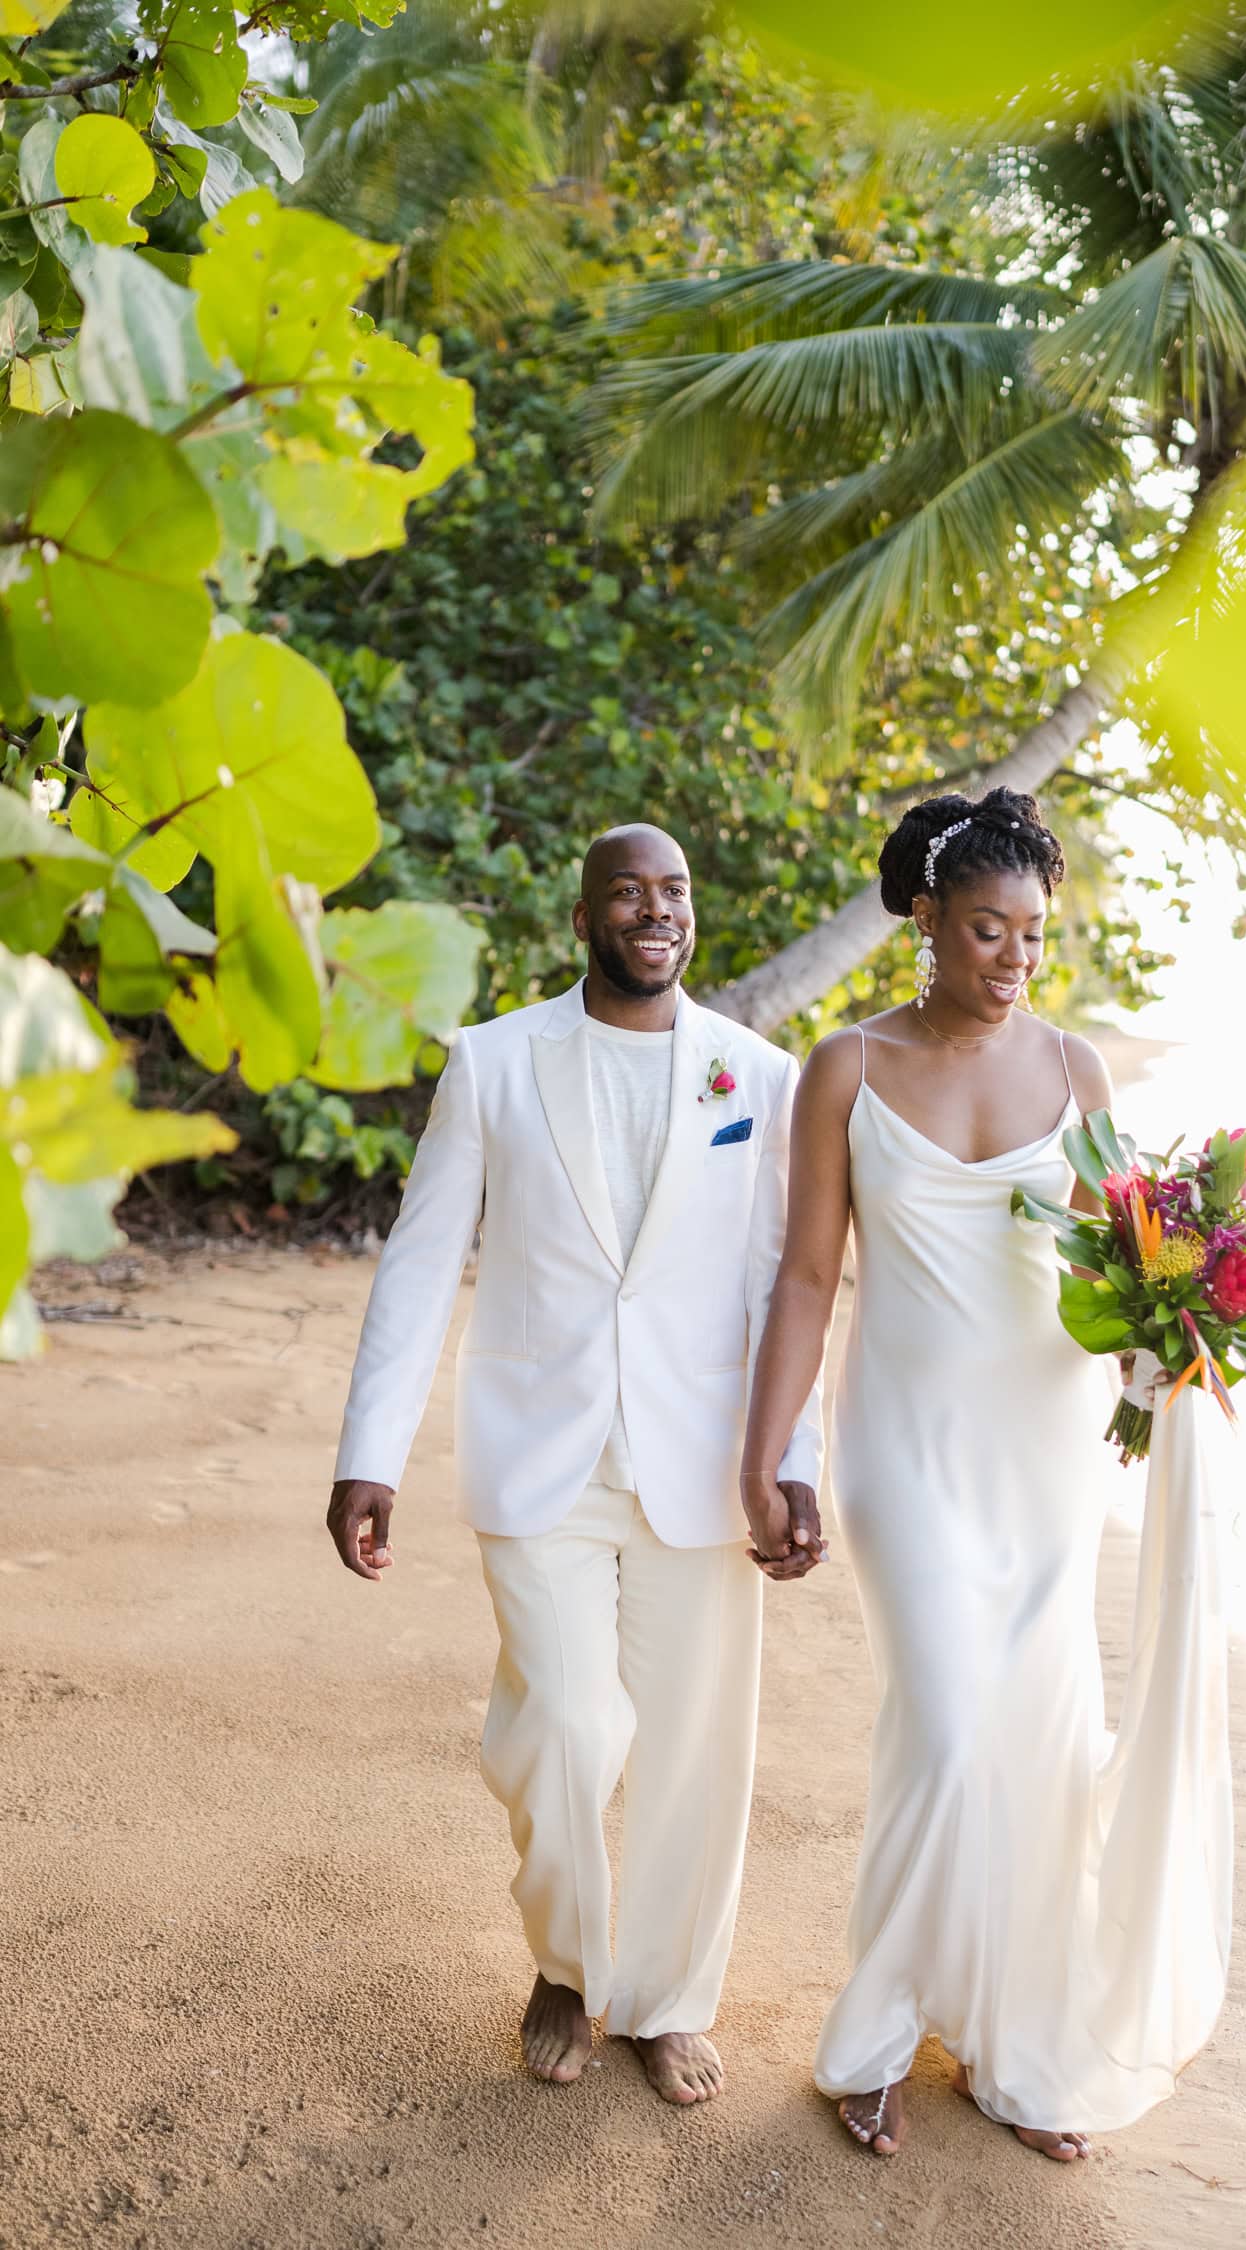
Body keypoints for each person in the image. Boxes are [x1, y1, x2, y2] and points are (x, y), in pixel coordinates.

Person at [739, 786, 1231, 2160]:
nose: (1011, 957)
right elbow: (804, 1278)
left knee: (1039, 1740)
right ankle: (879, 2032)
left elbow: (1122, 1264)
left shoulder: (1076, 1072)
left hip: (1046, 1444)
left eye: (1028, 933)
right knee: (950, 1730)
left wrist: (1188, 1335)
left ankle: (1019, 2038)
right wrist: (770, 1454)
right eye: (984, 929)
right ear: (926, 921)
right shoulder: (846, 1066)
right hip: (901, 1437)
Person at [327, 824, 823, 2105]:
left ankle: (665, 1999)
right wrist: (367, 1450)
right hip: (539, 1453)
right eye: (628, 892)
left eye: (676, 891)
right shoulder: (494, 1063)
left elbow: (790, 1285)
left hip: (702, 1461)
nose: (655, 912)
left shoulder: (757, 1078)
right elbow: (424, 1255)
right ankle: (566, 1963)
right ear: (585, 914)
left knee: (694, 1749)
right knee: (567, 1722)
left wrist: (793, 1460)